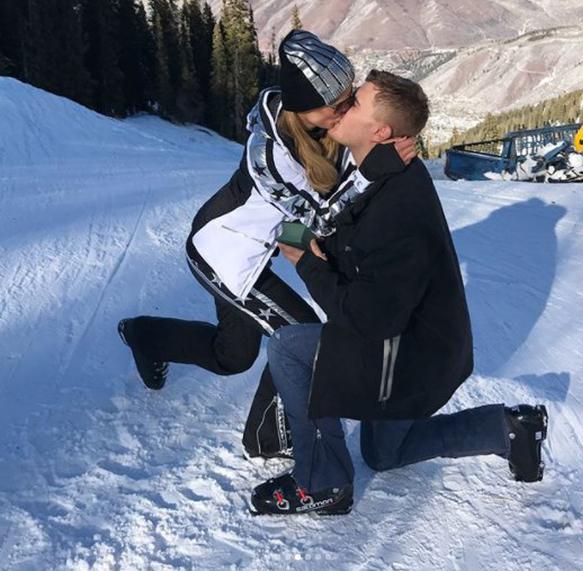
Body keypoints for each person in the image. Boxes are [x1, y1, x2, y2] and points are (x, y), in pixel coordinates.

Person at [250, 70, 549, 516]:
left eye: (355, 102)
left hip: (407, 356)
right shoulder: (386, 171)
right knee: (384, 454)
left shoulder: (398, 204)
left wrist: (308, 265)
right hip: (420, 346)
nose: (342, 103)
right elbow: (357, 231)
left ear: (381, 132)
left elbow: (367, 319)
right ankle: (507, 429)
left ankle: (323, 482)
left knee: (288, 348)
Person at [117, 30, 416, 459]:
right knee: (300, 334)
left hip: (249, 245)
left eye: (350, 97)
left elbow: (312, 213)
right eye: (338, 104)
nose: (347, 108)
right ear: (306, 105)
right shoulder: (271, 156)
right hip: (223, 254)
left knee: (232, 358)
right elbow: (318, 217)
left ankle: (144, 335)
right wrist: (372, 173)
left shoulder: (315, 126)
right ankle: (266, 438)